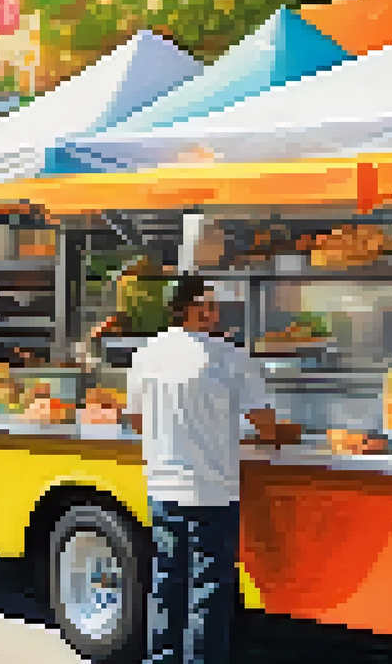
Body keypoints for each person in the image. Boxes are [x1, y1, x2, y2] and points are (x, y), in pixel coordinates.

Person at [124, 276, 276, 664]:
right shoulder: (230, 357)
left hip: (163, 487)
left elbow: (138, 421)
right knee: (207, 588)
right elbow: (266, 424)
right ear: (197, 308)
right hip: (213, 490)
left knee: (167, 581)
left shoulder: (146, 354)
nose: (215, 312)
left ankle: (160, 659)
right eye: (211, 304)